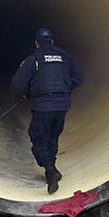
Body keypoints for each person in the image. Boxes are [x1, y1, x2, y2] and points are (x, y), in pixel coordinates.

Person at [11, 28, 84, 194]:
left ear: (36, 43)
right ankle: (51, 169)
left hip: (44, 106)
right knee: (52, 136)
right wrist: (64, 88)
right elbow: (80, 77)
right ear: (52, 41)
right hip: (63, 105)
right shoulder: (63, 56)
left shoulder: (33, 59)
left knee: (37, 136)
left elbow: (17, 84)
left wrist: (26, 94)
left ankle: (51, 170)